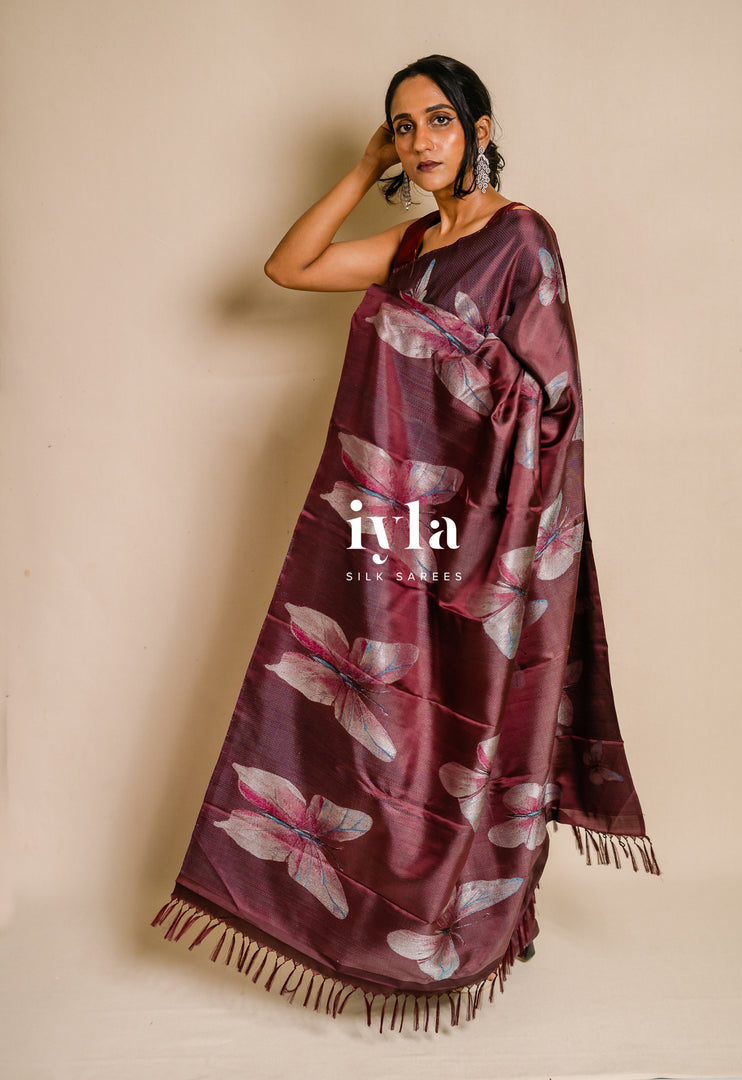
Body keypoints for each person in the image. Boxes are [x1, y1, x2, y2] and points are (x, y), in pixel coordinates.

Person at [153, 55, 657, 1032]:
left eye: (438, 120)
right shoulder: (415, 243)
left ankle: (491, 919)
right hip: (401, 526)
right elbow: (290, 268)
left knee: (481, 709)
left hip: (492, 529)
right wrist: (361, 170)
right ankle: (371, 909)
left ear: (479, 128)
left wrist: (418, 348)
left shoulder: (522, 239)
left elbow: (551, 404)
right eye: (403, 126)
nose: (422, 141)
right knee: (394, 711)